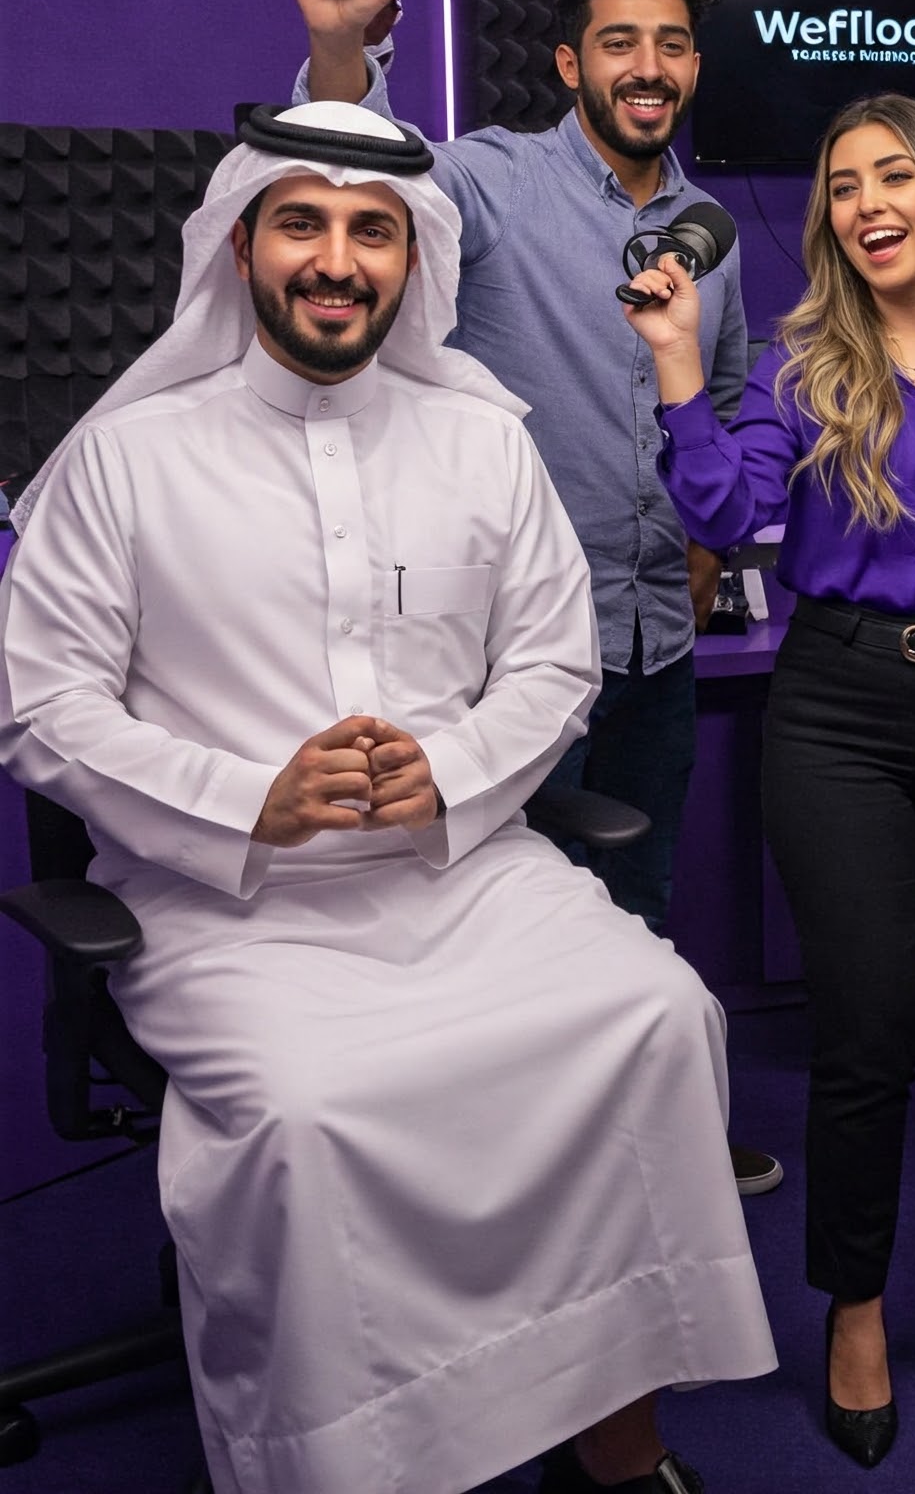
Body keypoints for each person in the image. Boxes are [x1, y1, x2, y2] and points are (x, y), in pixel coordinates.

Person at [0, 103, 775, 1494]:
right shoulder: (125, 459)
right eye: (301, 223)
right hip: (227, 908)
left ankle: (614, 1436)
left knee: (656, 1015)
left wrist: (454, 771)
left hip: (461, 871)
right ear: (241, 246)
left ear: (415, 259)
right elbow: (41, 705)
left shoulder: (483, 442)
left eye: (373, 230)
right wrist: (249, 796)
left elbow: (552, 664)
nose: (337, 260)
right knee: (311, 1107)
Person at [621, 93, 915, 1468]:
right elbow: (725, 512)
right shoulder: (801, 364)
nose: (868, 204)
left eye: (894, 176)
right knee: (868, 1032)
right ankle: (850, 1307)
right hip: (838, 707)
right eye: (843, 186)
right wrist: (676, 363)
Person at [290, 0, 781, 1194]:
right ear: (570, 62)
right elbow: (361, 173)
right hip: (502, 656)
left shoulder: (712, 229)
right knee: (491, 921)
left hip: (653, 643)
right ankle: (516, 1183)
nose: (648, 66)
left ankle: (646, 1145)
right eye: (619, 42)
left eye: (671, 44)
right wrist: (343, 48)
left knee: (636, 901)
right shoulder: (492, 181)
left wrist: (702, 552)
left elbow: (723, 405)